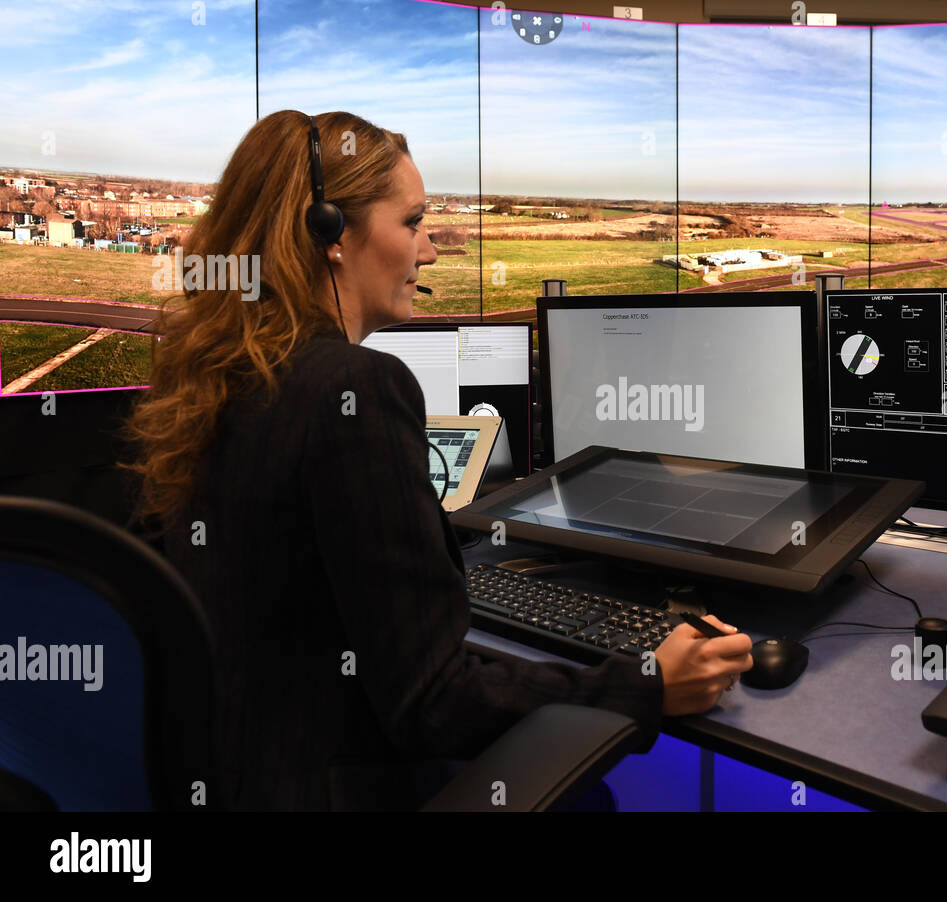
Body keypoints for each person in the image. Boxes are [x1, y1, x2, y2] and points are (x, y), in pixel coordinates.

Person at [121, 110, 752, 811]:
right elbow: (431, 702)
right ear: (332, 234)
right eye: (413, 223)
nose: (430, 251)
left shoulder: (214, 375)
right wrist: (644, 683)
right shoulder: (353, 386)